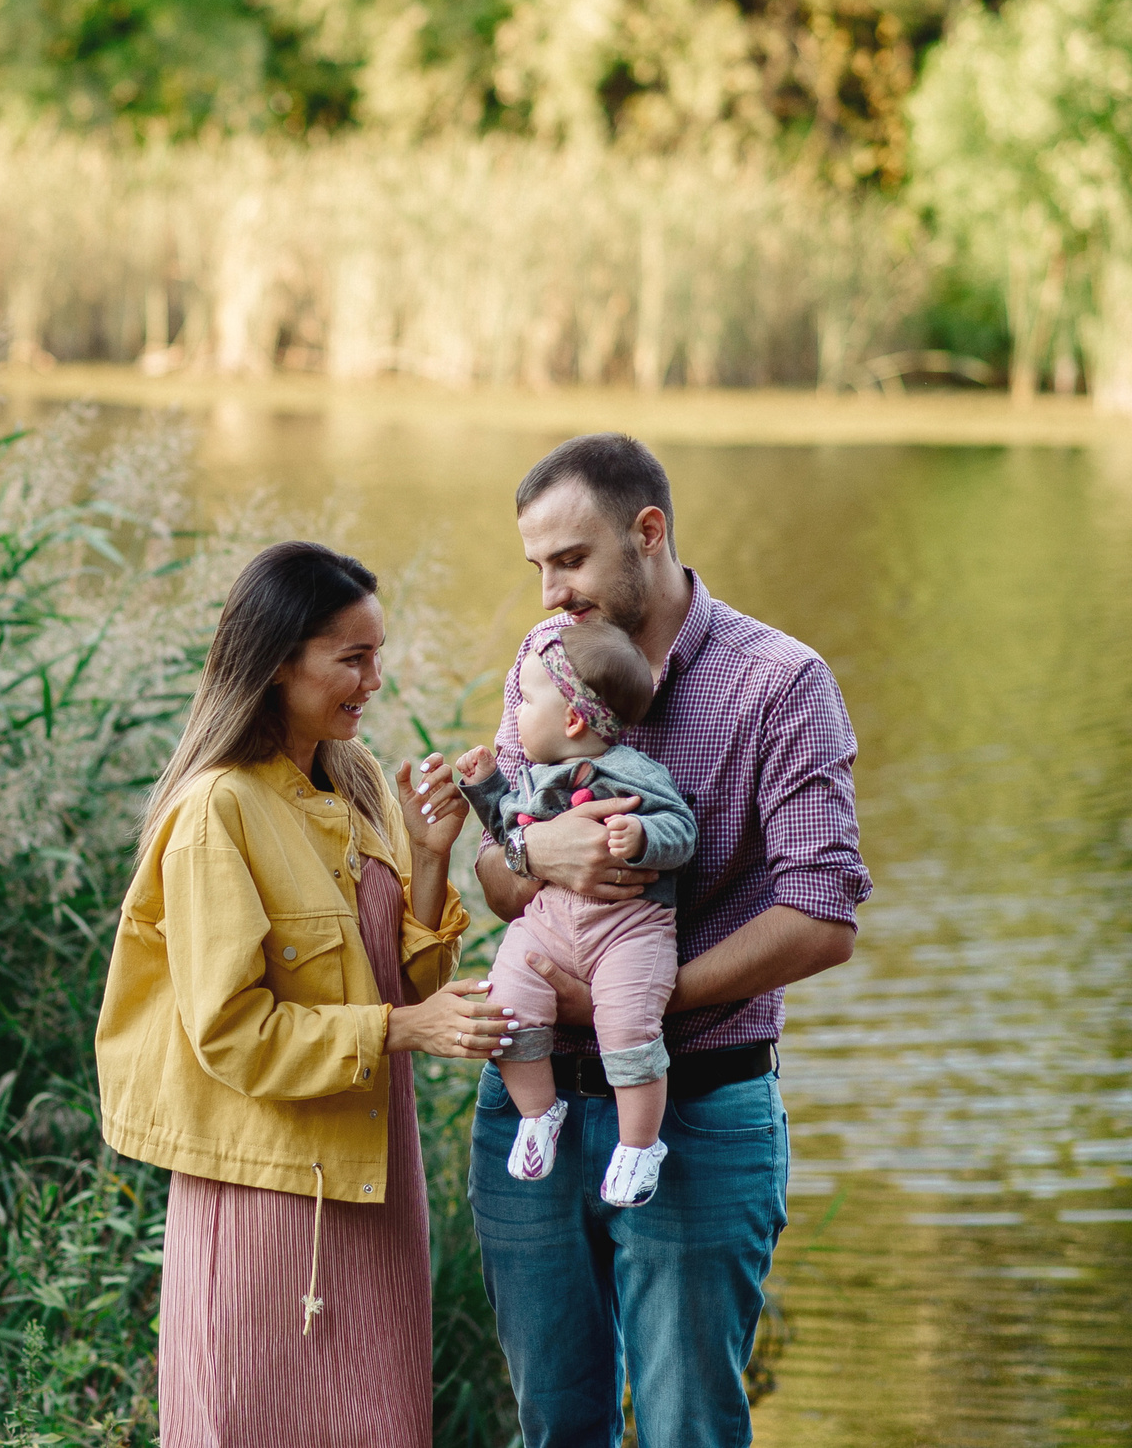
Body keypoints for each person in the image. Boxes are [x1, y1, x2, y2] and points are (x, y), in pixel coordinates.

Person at [465, 433, 869, 1448]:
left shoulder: (779, 681)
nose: (550, 592)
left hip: (700, 1107)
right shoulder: (544, 658)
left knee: (689, 1425)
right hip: (533, 1104)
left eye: (569, 559)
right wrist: (540, 855)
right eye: (537, 568)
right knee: (552, 1426)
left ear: (649, 532)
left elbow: (820, 917)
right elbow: (498, 877)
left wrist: (628, 1004)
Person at [94, 541, 510, 1448]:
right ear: (281, 660)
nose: (374, 679)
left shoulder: (352, 787)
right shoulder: (217, 812)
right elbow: (234, 1034)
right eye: (351, 658)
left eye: (378, 653)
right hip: (268, 1197)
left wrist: (430, 855)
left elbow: (404, 984)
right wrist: (404, 1027)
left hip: (372, 1184)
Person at [454, 620, 696, 1206]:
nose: (514, 712)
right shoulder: (535, 779)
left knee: (628, 1027)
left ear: (572, 721)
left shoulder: (634, 772)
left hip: (627, 930)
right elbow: (510, 827)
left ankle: (639, 1145)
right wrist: (485, 787)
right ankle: (539, 1113)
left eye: (526, 700)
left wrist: (640, 834)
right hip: (550, 925)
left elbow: (682, 830)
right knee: (507, 1008)